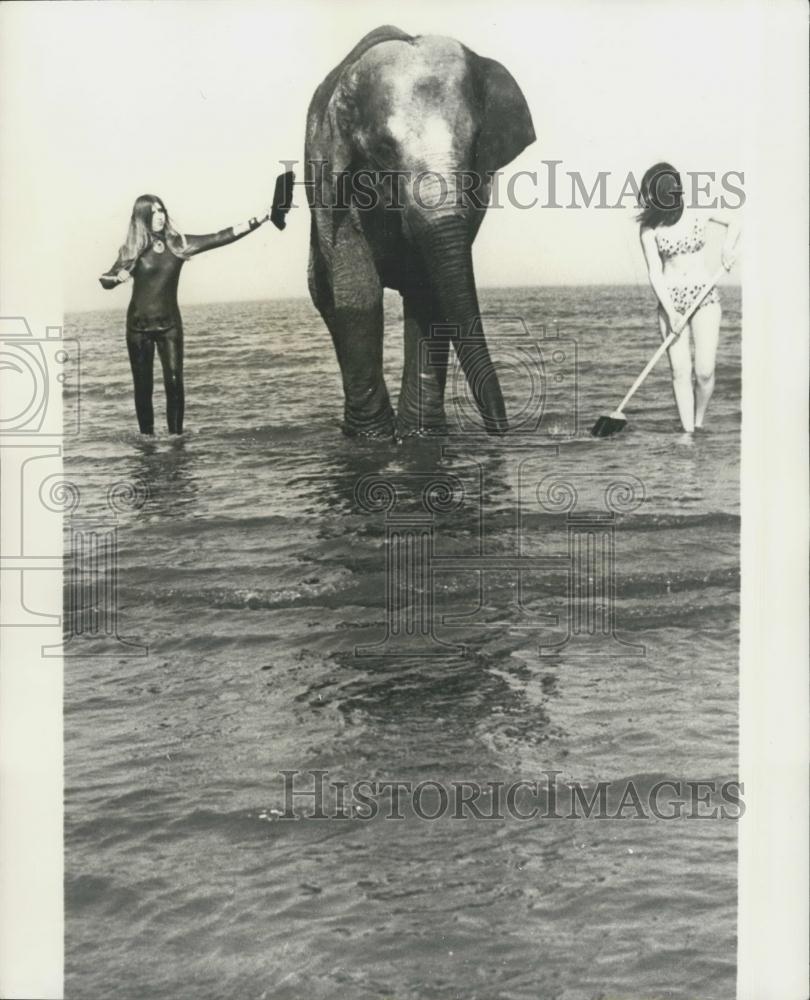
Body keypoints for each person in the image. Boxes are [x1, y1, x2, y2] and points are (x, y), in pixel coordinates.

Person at [100, 194, 270, 435]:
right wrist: (117, 277)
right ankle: (147, 444)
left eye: (162, 211)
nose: (160, 216)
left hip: (169, 326)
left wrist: (259, 219)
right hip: (138, 328)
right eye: (154, 212)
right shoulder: (131, 250)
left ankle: (175, 441)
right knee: (143, 387)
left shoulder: (177, 244)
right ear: (142, 216)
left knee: (174, 383)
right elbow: (104, 280)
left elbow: (220, 237)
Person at [637, 163, 741, 433]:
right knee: (679, 372)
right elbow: (655, 273)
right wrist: (671, 312)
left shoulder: (698, 210)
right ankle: (688, 434)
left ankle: (698, 422)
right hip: (670, 303)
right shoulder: (649, 229)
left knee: (704, 372)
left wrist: (727, 249)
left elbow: (736, 220)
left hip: (704, 297)